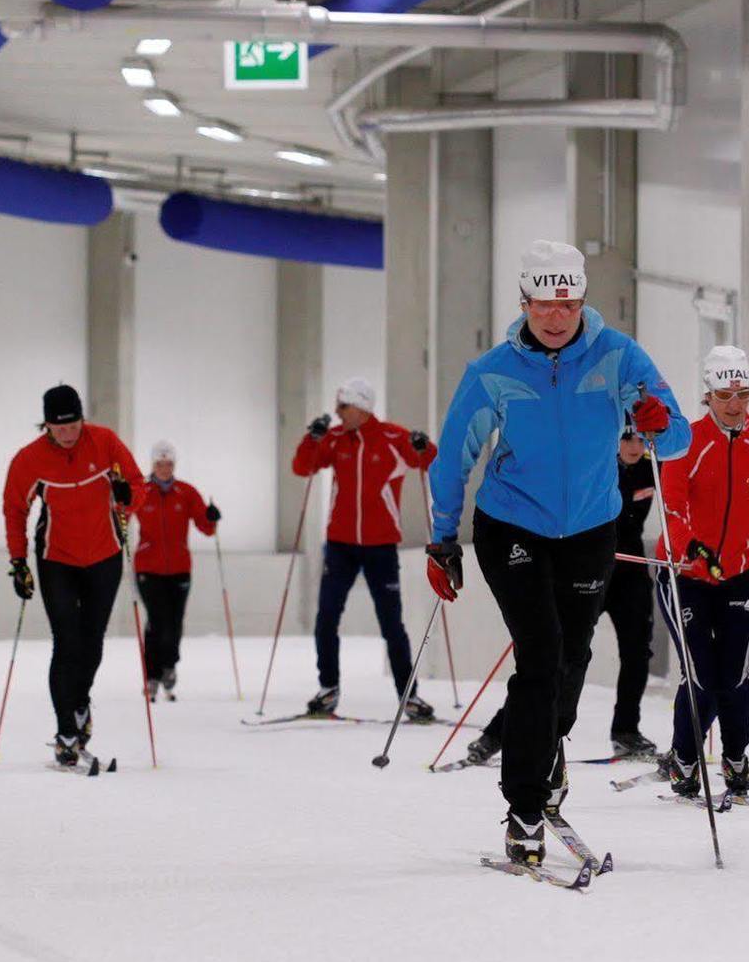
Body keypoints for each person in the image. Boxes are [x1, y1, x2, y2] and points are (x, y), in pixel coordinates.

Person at [426, 240, 689, 866]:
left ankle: (549, 749)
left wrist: (653, 420)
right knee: (540, 656)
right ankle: (523, 805)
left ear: (581, 301)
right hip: (511, 526)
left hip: (593, 529)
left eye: (568, 303)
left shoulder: (619, 355)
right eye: (544, 304)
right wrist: (442, 537)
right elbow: (453, 455)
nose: (556, 316)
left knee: (572, 661)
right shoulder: (492, 370)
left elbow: (676, 437)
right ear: (524, 303)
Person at [654, 346, 749, 801]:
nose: (735, 404)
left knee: (735, 676)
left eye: (743, 393)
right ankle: (685, 758)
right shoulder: (686, 440)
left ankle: (736, 757)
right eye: (725, 395)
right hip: (685, 573)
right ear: (708, 395)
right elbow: (672, 507)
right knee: (700, 674)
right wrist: (692, 548)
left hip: (741, 573)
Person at [462, 428, 662, 764]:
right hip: (589, 567)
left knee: (638, 652)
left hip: (630, 573)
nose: (634, 446)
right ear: (615, 438)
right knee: (556, 652)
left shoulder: (650, 467)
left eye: (642, 441)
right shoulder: (599, 465)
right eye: (628, 438)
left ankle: (626, 730)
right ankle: (498, 733)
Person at [1, 384, 145, 768]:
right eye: (58, 428)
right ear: (46, 425)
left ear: (83, 418)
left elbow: (138, 487)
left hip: (105, 555)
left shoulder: (105, 442)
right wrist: (18, 562)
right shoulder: (29, 460)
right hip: (56, 559)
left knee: (92, 640)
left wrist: (125, 493)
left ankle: (80, 702)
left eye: (73, 425)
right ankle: (66, 732)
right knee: (66, 642)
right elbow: (14, 509)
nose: (67, 434)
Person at [290, 377, 437, 720]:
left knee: (391, 624)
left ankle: (409, 696)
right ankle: (328, 689)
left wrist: (423, 444)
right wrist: (311, 438)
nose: (338, 412)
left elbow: (427, 460)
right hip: (340, 545)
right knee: (326, 618)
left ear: (362, 407)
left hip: (381, 545)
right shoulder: (335, 438)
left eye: (344, 406)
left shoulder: (391, 437)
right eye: (338, 406)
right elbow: (303, 467)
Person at [132, 439, 219, 701]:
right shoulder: (142, 491)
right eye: (160, 464)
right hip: (148, 567)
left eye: (169, 464)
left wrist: (212, 516)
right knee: (157, 621)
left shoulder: (186, 492)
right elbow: (121, 512)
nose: (164, 469)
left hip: (180, 568)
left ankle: (169, 665)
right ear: (153, 465)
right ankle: (152, 676)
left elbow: (206, 527)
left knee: (175, 622)